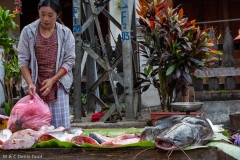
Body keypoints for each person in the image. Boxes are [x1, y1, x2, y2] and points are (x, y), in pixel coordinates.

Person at [18, 0, 75, 128]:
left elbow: (69, 61)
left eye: (50, 15)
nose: (45, 19)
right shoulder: (28, 32)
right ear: (38, 11)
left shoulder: (65, 33)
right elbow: (23, 60)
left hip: (58, 84)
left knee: (60, 129)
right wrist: (30, 83)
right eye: (42, 14)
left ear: (58, 14)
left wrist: (53, 80)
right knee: (36, 129)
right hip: (35, 85)